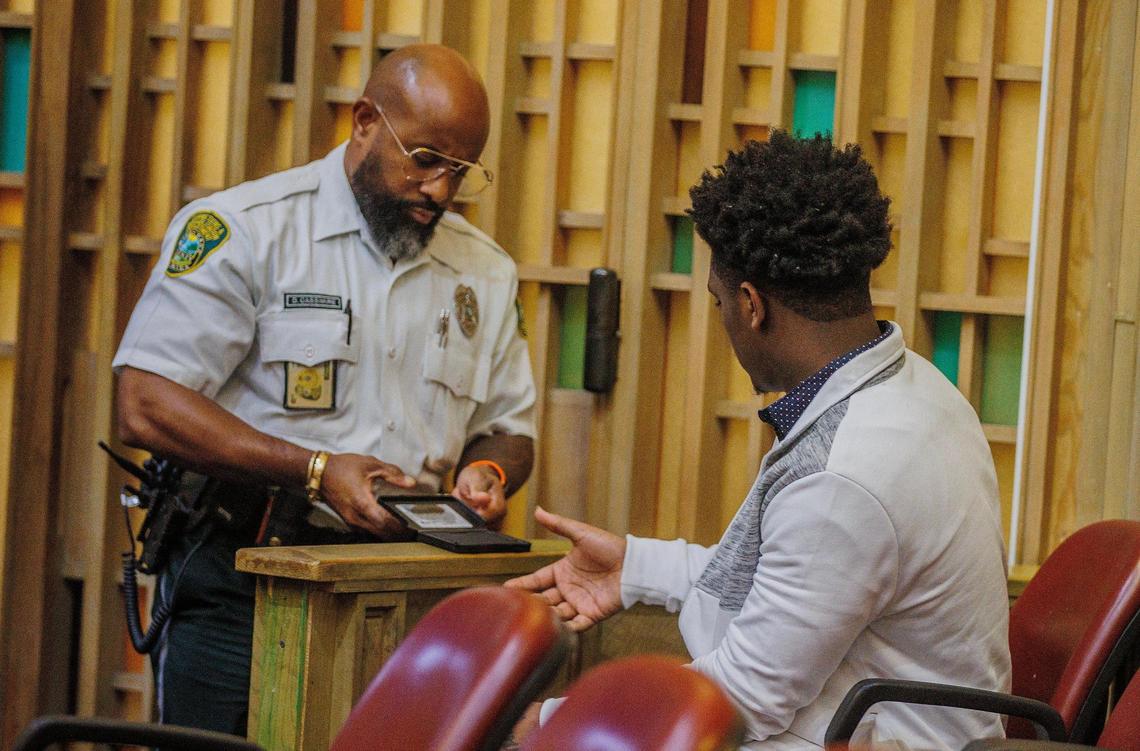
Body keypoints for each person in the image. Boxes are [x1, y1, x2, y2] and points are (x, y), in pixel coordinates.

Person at [506, 131, 1011, 750]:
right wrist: (637, 568)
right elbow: (790, 586)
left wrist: (551, 726)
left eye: (717, 301)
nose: (721, 319)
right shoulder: (917, 390)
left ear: (751, 304)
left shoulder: (845, 476)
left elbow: (743, 698)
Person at [113, 44, 536, 735]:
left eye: (461, 172)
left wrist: (486, 473)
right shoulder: (247, 230)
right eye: (425, 158)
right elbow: (146, 401)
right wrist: (313, 470)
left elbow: (508, 425)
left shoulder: (483, 271)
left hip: (408, 589)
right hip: (245, 579)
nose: (441, 190)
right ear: (365, 120)